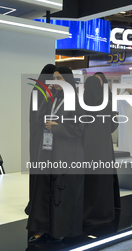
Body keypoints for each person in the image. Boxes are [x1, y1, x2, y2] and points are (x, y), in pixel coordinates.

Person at [26, 66, 85, 242]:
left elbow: (80, 129)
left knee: (62, 192)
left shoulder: (76, 100)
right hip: (49, 150)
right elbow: (39, 118)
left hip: (67, 153)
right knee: (45, 190)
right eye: (53, 78)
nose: (55, 82)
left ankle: (60, 229)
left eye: (59, 78)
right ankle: (43, 227)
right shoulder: (53, 98)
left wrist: (59, 128)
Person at [82, 76, 120, 226]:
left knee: (87, 181)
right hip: (103, 147)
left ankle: (85, 212)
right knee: (102, 181)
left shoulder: (81, 104)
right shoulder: (107, 104)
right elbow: (113, 126)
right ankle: (103, 212)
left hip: (86, 148)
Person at [25, 63, 57, 215]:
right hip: (41, 135)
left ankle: (37, 201)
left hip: (38, 135)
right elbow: (39, 116)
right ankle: (37, 202)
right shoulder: (40, 91)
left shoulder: (39, 89)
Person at [117, 85, 132, 156]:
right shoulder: (124, 95)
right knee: (127, 137)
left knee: (130, 137)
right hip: (127, 123)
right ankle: (128, 153)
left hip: (129, 122)